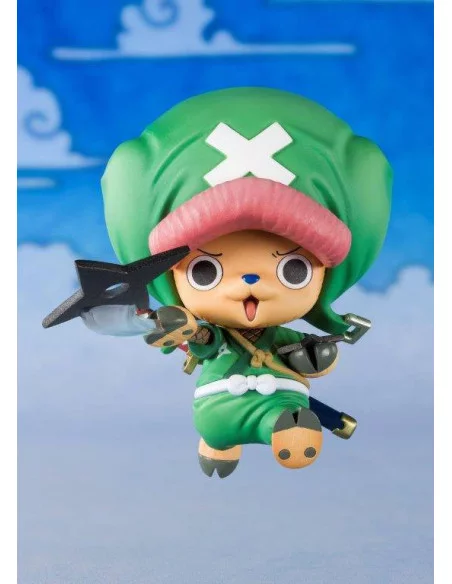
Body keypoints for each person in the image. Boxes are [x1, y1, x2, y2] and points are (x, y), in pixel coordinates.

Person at [81, 87, 392, 478]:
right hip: (220, 399)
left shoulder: (278, 336)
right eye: (206, 270)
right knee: (217, 426)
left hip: (280, 400)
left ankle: (284, 431)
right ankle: (220, 441)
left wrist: (316, 355)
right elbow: (205, 341)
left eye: (293, 270)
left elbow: (308, 357)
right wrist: (184, 328)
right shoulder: (216, 333)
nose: (249, 281)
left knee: (284, 413)